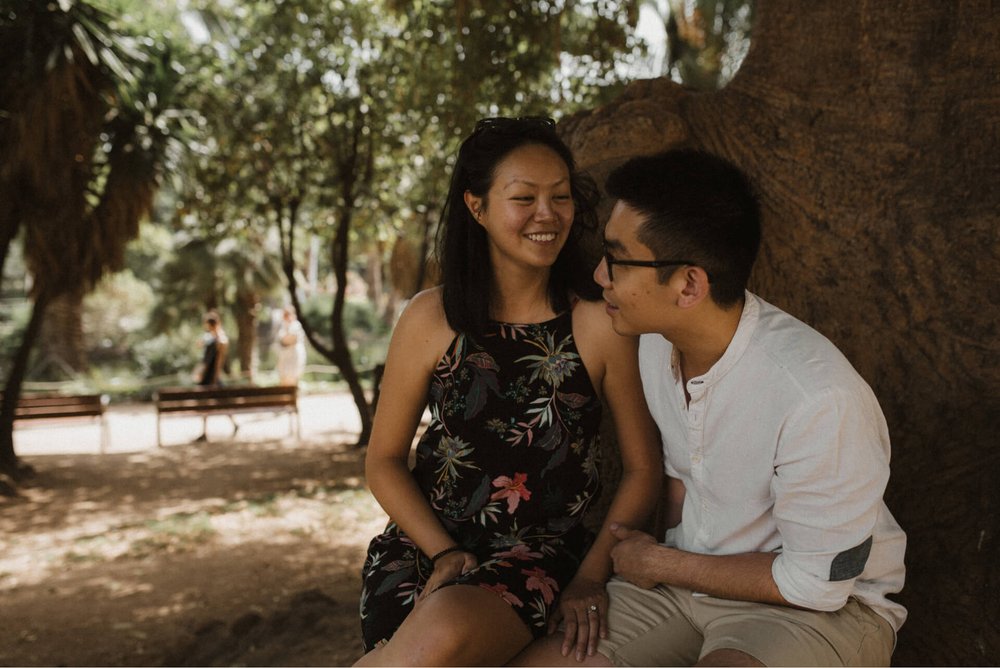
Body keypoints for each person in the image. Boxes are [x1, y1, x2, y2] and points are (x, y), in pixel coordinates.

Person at [514, 149, 907, 667]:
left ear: (689, 285)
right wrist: (662, 564)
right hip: (682, 588)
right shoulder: (655, 340)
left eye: (616, 258)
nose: (599, 275)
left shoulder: (818, 398)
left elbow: (816, 584)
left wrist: (658, 561)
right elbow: (681, 477)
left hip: (816, 609)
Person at [355, 116, 663, 666]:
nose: (547, 215)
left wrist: (592, 576)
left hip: (538, 557)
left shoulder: (595, 322)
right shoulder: (432, 316)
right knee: (423, 634)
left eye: (561, 197)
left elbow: (643, 469)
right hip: (422, 546)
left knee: (442, 632)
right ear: (477, 207)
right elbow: (382, 460)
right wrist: (444, 552)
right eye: (524, 198)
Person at [275, 305, 307, 386]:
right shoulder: (282, 326)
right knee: (284, 380)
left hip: (294, 357)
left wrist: (286, 339)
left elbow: (290, 339)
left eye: (288, 314)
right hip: (285, 357)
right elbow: (283, 340)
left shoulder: (296, 325)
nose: (286, 317)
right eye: (285, 315)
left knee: (293, 379)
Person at [196, 310, 229, 387]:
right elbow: (199, 345)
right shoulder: (209, 336)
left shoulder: (221, 338)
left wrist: (216, 375)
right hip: (207, 371)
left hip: (212, 372)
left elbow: (219, 359)